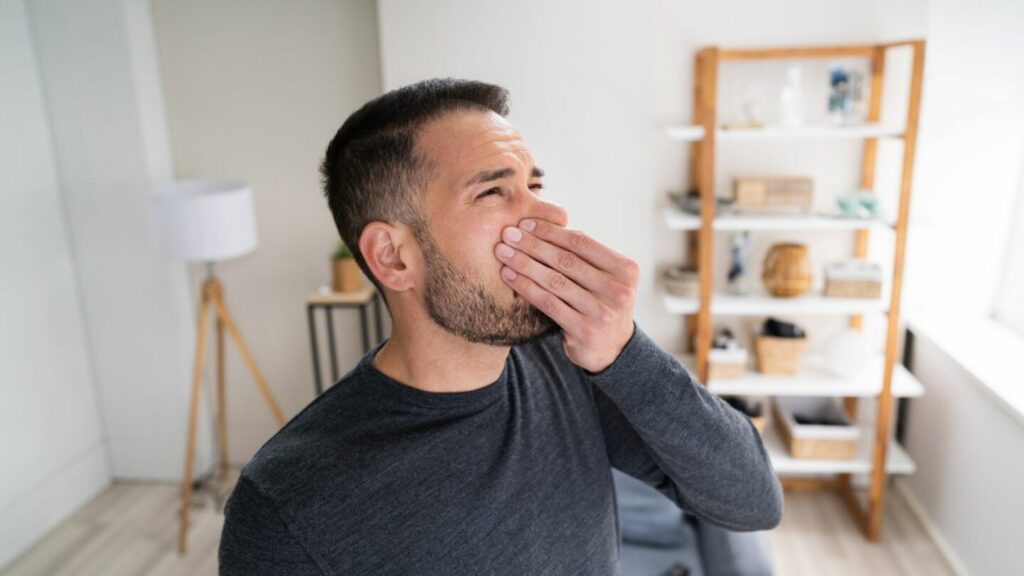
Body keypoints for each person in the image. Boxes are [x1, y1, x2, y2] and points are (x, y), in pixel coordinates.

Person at [218, 77, 782, 575]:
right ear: (392, 256)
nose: (550, 214)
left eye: (533, 185)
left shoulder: (569, 365)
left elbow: (753, 500)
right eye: (493, 191)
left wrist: (625, 353)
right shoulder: (287, 505)